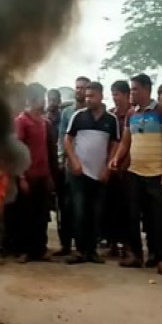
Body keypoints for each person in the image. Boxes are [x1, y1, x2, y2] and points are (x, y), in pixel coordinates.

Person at [109, 73, 162, 276]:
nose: (132, 93)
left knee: (158, 218)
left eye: (135, 89)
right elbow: (126, 142)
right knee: (131, 216)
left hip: (156, 173)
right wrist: (116, 159)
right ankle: (136, 255)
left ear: (146, 89)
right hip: (134, 172)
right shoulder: (131, 114)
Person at [64, 82, 119, 264]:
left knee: (96, 213)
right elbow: (67, 139)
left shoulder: (111, 120)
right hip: (79, 173)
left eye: (92, 96)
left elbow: (115, 144)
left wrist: (107, 167)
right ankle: (80, 251)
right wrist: (73, 161)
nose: (88, 99)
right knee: (80, 212)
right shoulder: (78, 116)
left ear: (101, 96)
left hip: (100, 174)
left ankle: (92, 251)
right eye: (86, 96)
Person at [14, 83, 53, 263]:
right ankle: (24, 251)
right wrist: (21, 178)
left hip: (42, 176)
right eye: (41, 99)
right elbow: (18, 150)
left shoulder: (45, 123)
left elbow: (48, 150)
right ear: (31, 100)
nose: (43, 102)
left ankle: (40, 250)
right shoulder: (21, 121)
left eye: (44, 98)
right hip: (28, 176)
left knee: (41, 215)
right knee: (25, 216)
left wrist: (50, 176)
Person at [57, 76, 90, 256]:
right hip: (70, 166)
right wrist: (62, 160)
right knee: (66, 207)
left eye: (83, 88)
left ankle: (83, 247)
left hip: (89, 167)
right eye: (77, 88)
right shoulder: (67, 113)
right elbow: (62, 138)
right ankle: (65, 245)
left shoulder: (93, 113)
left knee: (83, 208)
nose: (80, 91)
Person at [105, 80, 133, 257]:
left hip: (131, 168)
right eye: (113, 94)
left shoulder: (134, 114)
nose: (115, 98)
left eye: (118, 94)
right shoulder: (110, 115)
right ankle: (113, 243)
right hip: (112, 168)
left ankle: (128, 245)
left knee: (129, 209)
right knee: (112, 207)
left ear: (126, 95)